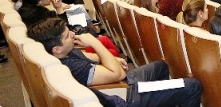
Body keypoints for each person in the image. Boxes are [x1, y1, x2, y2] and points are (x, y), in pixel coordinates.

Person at [27, 18, 202, 107]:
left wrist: (114, 59)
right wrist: (94, 43)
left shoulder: (66, 52)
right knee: (192, 85)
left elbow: (94, 59)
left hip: (118, 84)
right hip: (121, 97)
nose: (73, 34)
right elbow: (117, 74)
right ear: (56, 49)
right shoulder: (71, 68)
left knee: (160, 66)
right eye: (67, 36)